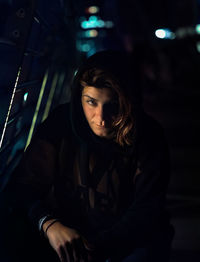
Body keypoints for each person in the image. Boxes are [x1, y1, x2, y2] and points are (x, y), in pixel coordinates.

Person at [2, 50, 174, 262]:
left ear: (128, 102)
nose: (100, 118)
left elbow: (146, 210)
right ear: (79, 97)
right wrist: (49, 224)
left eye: (112, 105)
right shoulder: (62, 123)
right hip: (67, 235)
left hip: (125, 243)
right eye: (91, 102)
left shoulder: (148, 135)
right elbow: (23, 188)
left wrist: (97, 248)